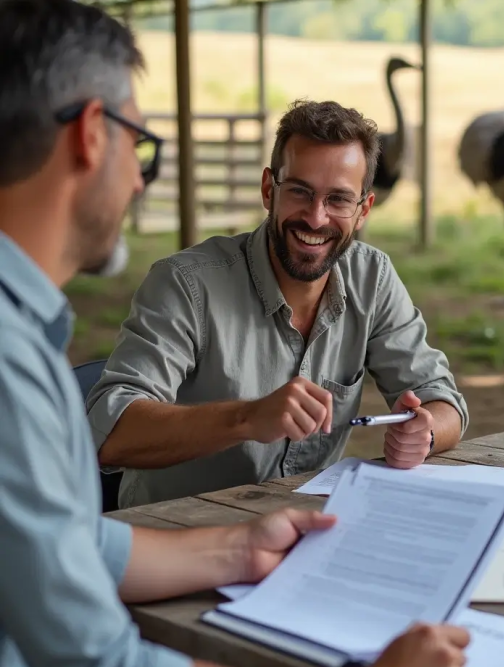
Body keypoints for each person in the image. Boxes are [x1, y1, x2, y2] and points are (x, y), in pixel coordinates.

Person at [0, 2, 472, 667]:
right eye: (141, 143)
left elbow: (66, 548)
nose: (140, 180)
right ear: (95, 135)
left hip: (254, 567)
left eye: (337, 200)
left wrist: (241, 547)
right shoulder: (56, 338)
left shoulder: (27, 332)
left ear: (363, 209)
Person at [86, 105, 469, 510]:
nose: (316, 218)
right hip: (175, 536)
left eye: (338, 199)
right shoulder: (185, 284)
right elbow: (110, 433)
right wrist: (247, 418)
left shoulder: (372, 277)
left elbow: (443, 402)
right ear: (269, 190)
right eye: (300, 192)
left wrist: (423, 433)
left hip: (302, 531)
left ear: (363, 211)